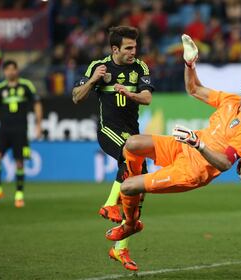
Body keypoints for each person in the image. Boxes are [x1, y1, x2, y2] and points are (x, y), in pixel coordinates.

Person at [104, 34, 241, 249]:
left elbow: (224, 164)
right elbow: (193, 89)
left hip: (194, 170)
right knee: (132, 144)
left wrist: (199, 144)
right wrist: (190, 64)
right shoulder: (231, 100)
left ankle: (130, 224)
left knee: (128, 187)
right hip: (184, 145)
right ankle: (135, 193)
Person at [72, 26, 154, 271]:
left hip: (133, 134)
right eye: (129, 48)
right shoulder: (99, 66)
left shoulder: (140, 67)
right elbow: (77, 96)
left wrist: (128, 93)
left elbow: (147, 98)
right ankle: (109, 204)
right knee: (129, 157)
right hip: (109, 130)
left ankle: (120, 249)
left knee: (138, 192)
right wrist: (95, 80)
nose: (133, 52)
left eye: (135, 47)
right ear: (115, 49)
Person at [0, 60, 43, 208]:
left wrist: (38, 125)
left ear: (17, 71)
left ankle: (19, 196)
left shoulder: (26, 86)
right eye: (8, 69)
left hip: (20, 130)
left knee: (19, 162)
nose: (11, 72)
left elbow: (36, 104)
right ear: (4, 72)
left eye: (13, 69)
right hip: (3, 130)